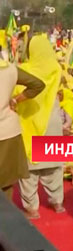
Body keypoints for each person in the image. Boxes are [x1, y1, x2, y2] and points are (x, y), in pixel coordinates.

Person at [17, 35, 66, 219]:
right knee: (53, 167)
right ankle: (57, 202)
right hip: (52, 120)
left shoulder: (25, 69)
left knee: (29, 171)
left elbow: (15, 93)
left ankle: (32, 208)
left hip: (30, 122)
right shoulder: (56, 68)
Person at [0, 60, 45, 201]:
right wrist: (15, 100)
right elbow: (38, 85)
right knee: (6, 182)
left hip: (8, 132)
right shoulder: (10, 70)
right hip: (8, 131)